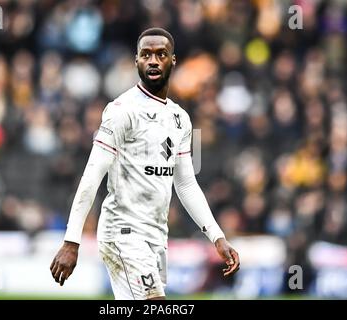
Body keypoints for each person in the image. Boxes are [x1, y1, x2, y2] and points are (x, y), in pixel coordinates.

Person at [50, 27, 240, 300]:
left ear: (172, 61)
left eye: (161, 54)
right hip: (123, 233)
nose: (153, 60)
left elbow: (186, 185)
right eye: (146, 54)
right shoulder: (121, 111)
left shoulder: (180, 119)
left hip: (156, 237)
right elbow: (92, 175)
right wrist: (72, 240)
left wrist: (217, 237)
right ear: (136, 61)